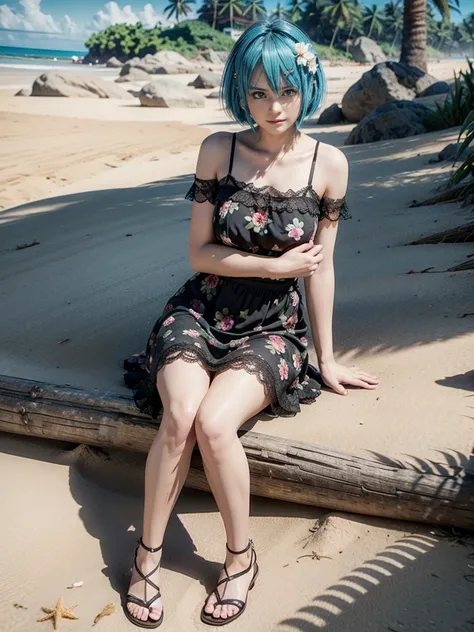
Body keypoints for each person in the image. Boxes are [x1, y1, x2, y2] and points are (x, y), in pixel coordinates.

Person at [122, 16, 379, 629]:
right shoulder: (219, 148)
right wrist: (275, 265)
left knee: (215, 422)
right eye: (259, 91)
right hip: (200, 310)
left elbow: (320, 270)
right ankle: (147, 556)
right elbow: (199, 254)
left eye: (286, 91)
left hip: (272, 329)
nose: (273, 106)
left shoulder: (328, 164)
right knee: (179, 415)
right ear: (241, 88)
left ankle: (240, 559)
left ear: (306, 88)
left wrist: (328, 356)